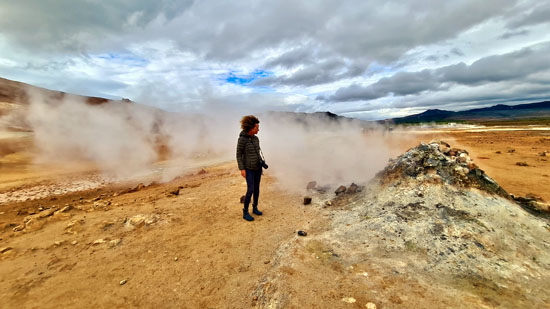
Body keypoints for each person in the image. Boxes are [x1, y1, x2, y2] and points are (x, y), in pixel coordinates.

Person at [236, 115, 264, 221]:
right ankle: (245, 211)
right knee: (250, 189)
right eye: (257, 127)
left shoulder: (256, 139)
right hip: (248, 169)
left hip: (258, 168)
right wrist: (242, 169)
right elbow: (238, 155)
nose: (258, 129)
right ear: (251, 128)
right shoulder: (242, 139)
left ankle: (255, 207)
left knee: (257, 189)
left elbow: (257, 153)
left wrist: (261, 162)